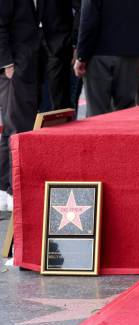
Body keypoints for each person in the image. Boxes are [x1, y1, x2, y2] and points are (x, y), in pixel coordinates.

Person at [74, 0, 139, 117]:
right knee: (126, 112)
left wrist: (81, 56)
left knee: (97, 113)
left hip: (100, 53)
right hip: (131, 53)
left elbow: (88, 19)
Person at [0, 0, 40, 211]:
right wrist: (7, 63)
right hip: (15, 67)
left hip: (22, 64)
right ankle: (13, 189)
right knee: (17, 127)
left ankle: (7, 188)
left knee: (12, 127)